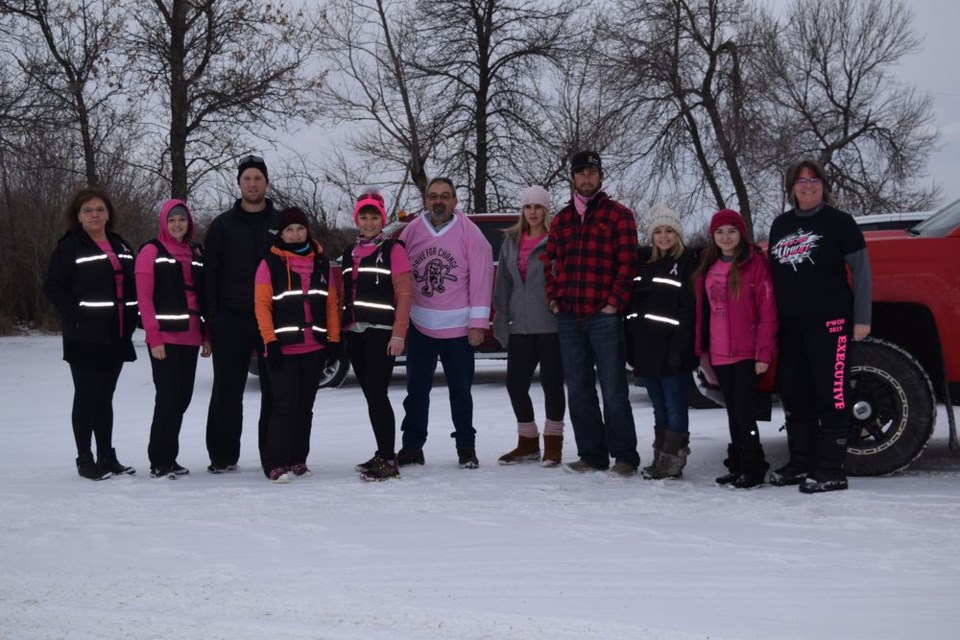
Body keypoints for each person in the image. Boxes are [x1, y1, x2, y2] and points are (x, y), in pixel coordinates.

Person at [767, 159, 872, 494]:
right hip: (791, 327)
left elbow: (862, 272)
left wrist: (861, 319)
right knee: (795, 394)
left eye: (814, 180)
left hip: (831, 324)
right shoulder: (780, 225)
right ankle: (800, 463)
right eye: (801, 181)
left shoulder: (840, 223)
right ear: (791, 187)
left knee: (832, 395)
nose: (808, 185)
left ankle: (830, 470)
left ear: (824, 185)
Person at [544, 150, 640, 476]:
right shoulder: (561, 220)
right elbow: (551, 265)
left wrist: (615, 302)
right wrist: (555, 300)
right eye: (581, 172)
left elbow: (628, 265)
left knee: (613, 390)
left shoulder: (618, 215)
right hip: (570, 316)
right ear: (573, 177)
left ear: (600, 176)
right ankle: (591, 454)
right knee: (580, 389)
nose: (586, 178)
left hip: (604, 316)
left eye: (592, 172)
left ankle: (625, 456)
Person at [397, 177, 494, 469]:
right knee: (416, 390)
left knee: (460, 390)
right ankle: (412, 446)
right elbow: (399, 275)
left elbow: (480, 278)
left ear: (454, 201)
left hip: (458, 328)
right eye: (433, 196)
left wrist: (478, 323)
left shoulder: (470, 233)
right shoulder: (411, 231)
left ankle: (466, 446)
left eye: (445, 196)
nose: (439, 201)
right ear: (426, 200)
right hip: (420, 324)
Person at [43, 187, 138, 480]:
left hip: (117, 333)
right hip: (85, 336)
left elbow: (133, 285)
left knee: (104, 397)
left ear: (108, 214)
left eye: (99, 209)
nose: (95, 215)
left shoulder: (120, 244)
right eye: (88, 210)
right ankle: (85, 458)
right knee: (87, 396)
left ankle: (106, 455)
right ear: (78, 217)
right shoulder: (70, 246)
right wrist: (76, 314)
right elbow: (52, 287)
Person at [203, 155, 280, 474]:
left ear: (266, 183)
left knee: (274, 390)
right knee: (227, 389)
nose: (252, 184)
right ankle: (222, 456)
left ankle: (273, 455)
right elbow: (208, 275)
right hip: (230, 319)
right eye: (247, 178)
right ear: (239, 183)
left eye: (258, 178)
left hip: (272, 319)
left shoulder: (280, 222)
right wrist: (214, 317)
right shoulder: (222, 225)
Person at [253, 207, 341, 483]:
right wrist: (270, 341)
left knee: (305, 407)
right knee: (284, 406)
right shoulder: (269, 263)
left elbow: (330, 303)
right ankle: (274, 462)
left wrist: (334, 341)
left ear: (307, 231)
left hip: (313, 347)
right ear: (281, 233)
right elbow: (262, 306)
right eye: (289, 230)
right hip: (283, 348)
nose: (295, 234)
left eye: (299, 229)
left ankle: (298, 458)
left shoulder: (321, 262)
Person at [694, 209, 778, 489]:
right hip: (719, 353)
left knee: (744, 411)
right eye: (719, 232)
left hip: (747, 354)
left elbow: (768, 313)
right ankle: (738, 464)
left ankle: (754, 467)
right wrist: (703, 353)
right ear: (713, 236)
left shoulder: (755, 265)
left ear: (740, 233)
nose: (725, 237)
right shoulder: (709, 266)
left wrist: (763, 354)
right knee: (732, 411)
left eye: (731, 231)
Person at [135, 199, 211, 478]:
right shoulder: (151, 252)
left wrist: (205, 335)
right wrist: (154, 338)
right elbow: (144, 298)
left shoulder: (195, 252)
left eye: (182, 219)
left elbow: (201, 297)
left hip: (191, 337)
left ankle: (170, 456)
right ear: (163, 223)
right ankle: (159, 459)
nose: (177, 225)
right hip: (164, 340)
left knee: (183, 398)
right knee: (167, 398)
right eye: (172, 220)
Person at [492, 185, 566, 467]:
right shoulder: (510, 242)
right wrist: (501, 318)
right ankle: (528, 443)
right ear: (522, 211)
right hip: (520, 325)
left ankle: (553, 444)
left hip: (550, 325)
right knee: (515, 384)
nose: (532, 212)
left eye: (538, 207)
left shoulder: (556, 241)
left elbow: (563, 278)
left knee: (552, 385)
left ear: (546, 211)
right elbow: (504, 284)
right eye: (528, 207)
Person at [343, 189, 413, 481]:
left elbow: (406, 294)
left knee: (378, 394)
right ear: (357, 219)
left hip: (382, 333)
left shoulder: (393, 250)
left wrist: (399, 334)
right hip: (356, 333)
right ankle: (381, 452)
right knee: (371, 396)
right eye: (364, 216)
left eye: (374, 217)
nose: (369, 222)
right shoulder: (350, 252)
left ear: (382, 220)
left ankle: (389, 458)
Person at [626, 204, 698, 480]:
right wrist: (632, 343)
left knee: (675, 404)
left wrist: (680, 347)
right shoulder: (644, 263)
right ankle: (660, 455)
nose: (664, 236)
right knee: (658, 405)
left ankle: (674, 458)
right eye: (658, 231)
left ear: (677, 234)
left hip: (674, 348)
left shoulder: (687, 262)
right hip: (646, 348)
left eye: (669, 231)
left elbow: (688, 310)